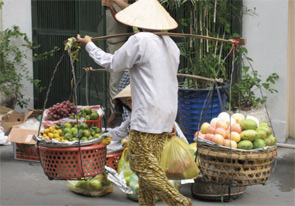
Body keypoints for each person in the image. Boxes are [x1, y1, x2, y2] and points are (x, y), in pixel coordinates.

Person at [77, 0, 192, 205]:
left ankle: (180, 202)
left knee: (141, 165)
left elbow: (111, 64)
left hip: (147, 114)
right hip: (165, 115)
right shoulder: (171, 45)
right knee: (151, 167)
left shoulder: (140, 40)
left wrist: (89, 45)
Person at [102, 0, 130, 127]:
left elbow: (122, 19)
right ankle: (109, 109)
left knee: (115, 82)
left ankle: (113, 116)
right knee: (109, 80)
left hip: (118, 44)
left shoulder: (122, 3)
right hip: (108, 43)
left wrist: (111, 6)